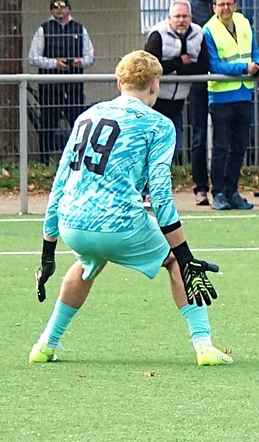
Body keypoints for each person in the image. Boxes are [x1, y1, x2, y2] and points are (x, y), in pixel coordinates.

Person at [30, 50, 231, 367]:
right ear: (155, 84)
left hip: (72, 223)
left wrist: (48, 250)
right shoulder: (158, 125)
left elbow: (60, 182)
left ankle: (45, 344)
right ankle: (204, 345)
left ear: (119, 82)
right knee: (176, 263)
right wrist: (184, 254)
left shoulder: (87, 116)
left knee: (88, 262)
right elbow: (161, 194)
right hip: (118, 224)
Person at [203, 0, 259, 211]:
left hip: (244, 93)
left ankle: (232, 191)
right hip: (221, 97)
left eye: (229, 4)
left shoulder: (244, 22)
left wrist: (258, 66)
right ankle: (218, 193)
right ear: (214, 8)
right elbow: (214, 65)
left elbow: (254, 50)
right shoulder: (208, 30)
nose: (226, 8)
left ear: (236, 5)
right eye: (221, 5)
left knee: (239, 147)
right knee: (221, 148)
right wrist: (244, 68)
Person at [27, 0, 95, 164]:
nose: (59, 10)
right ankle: (44, 162)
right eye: (55, 7)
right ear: (51, 10)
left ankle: (79, 161)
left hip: (74, 87)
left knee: (78, 124)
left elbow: (90, 57)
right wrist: (54, 64)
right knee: (47, 126)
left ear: (69, 9)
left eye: (62, 7)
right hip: (50, 88)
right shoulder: (43, 30)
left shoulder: (80, 29)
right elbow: (33, 58)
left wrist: (79, 62)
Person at [143, 0, 205, 158]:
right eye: (177, 16)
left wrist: (175, 69)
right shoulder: (158, 34)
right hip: (155, 103)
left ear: (191, 18)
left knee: (173, 150)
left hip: (178, 104)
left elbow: (203, 66)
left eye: (185, 16)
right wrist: (180, 62)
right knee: (153, 151)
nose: (181, 20)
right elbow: (150, 67)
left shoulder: (198, 33)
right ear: (169, 18)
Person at [188, 0, 218, 206]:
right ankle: (200, 187)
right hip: (199, 81)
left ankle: (222, 187)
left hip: (222, 82)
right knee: (199, 136)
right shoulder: (190, 8)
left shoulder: (223, 5)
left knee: (222, 138)